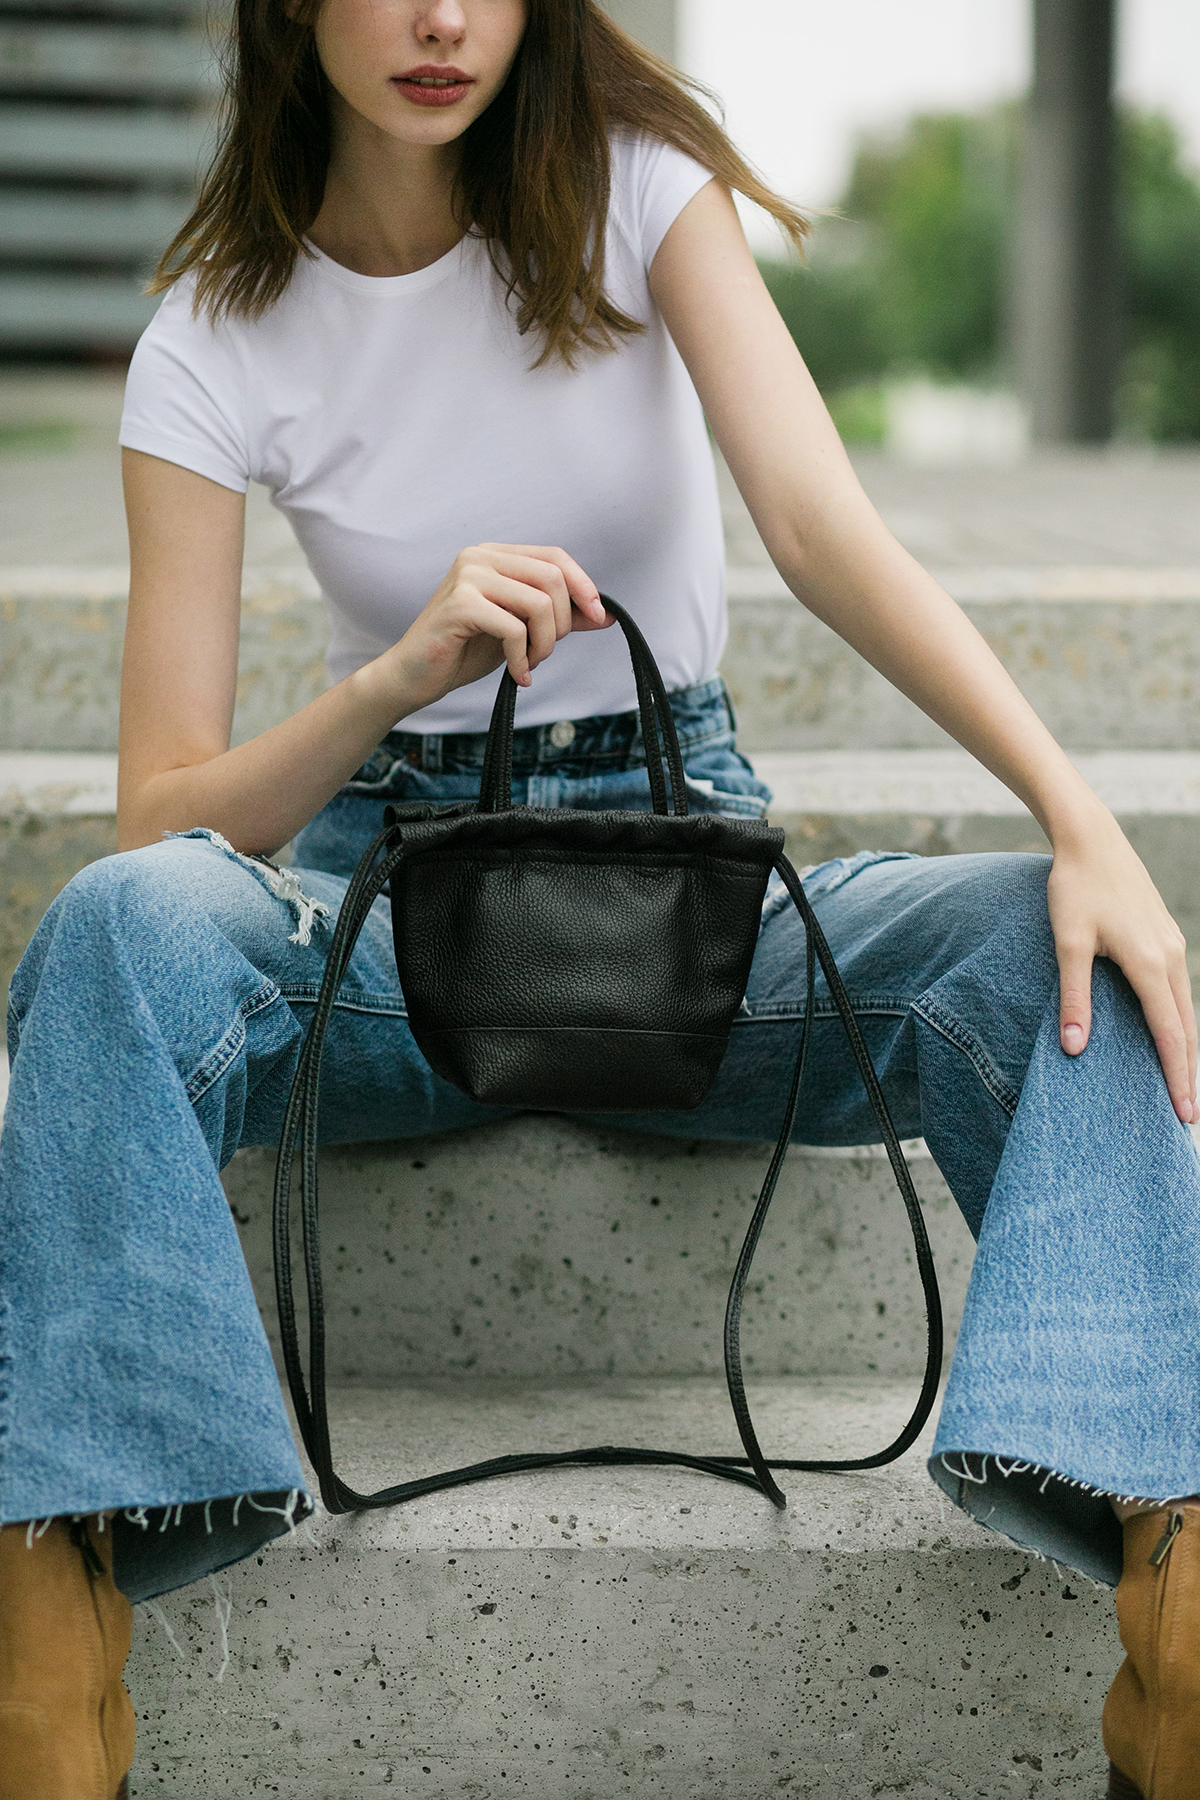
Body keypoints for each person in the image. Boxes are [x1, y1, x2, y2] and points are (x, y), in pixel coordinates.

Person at [1, 1, 1197, 1795]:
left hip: (695, 897)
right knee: (113, 931)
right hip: (391, 922)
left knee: (1063, 941)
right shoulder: (213, 336)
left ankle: (1177, 1629)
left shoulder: (640, 187)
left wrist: (1078, 811)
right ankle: (45, 1663)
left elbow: (817, 522)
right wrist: (387, 678)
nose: (437, 20)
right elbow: (165, 818)